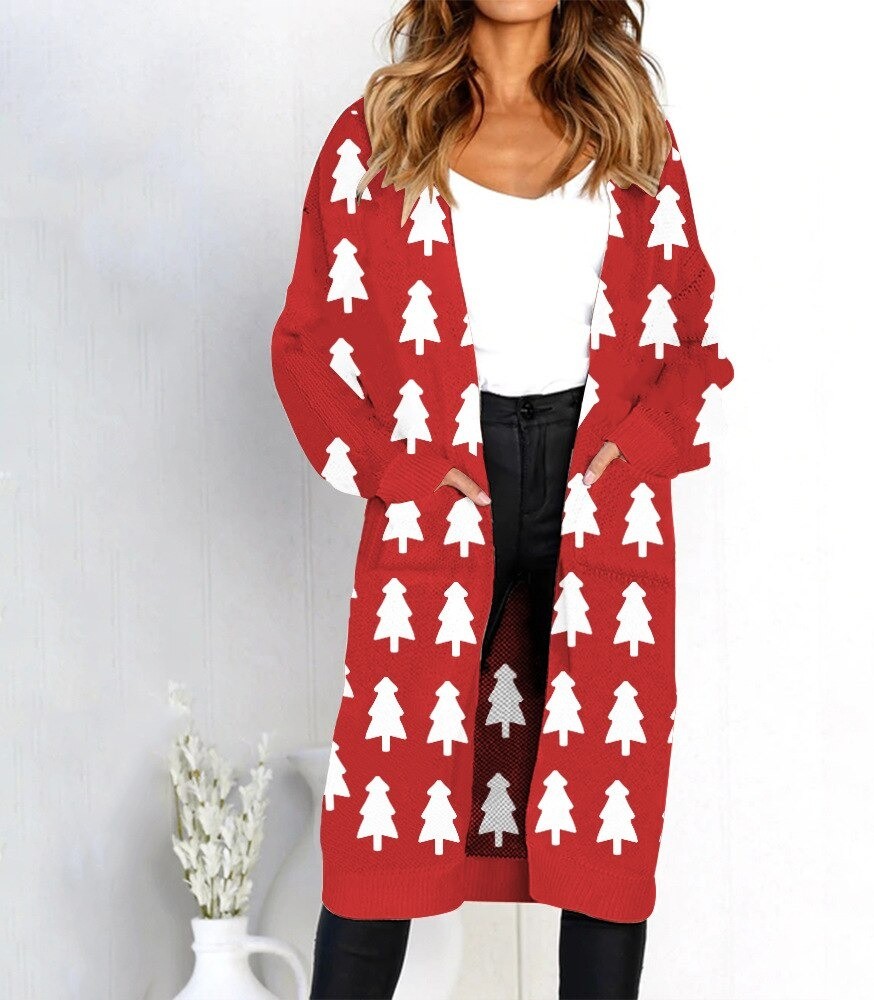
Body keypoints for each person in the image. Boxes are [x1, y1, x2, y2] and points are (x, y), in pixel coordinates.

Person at [269, 2, 734, 997]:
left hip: (597, 486)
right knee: (387, 804)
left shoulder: (632, 129)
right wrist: (389, 466)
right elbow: (304, 341)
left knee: (606, 805)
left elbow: (693, 331)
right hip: (447, 484)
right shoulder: (378, 133)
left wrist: (641, 444)